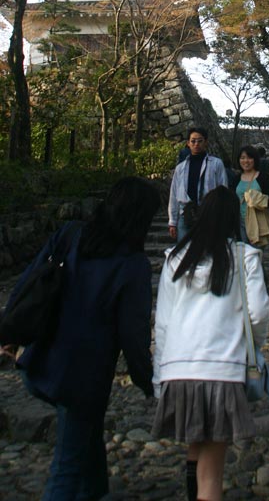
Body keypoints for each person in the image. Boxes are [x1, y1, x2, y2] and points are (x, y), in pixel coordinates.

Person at [1, 176, 160, 501]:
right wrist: (147, 380)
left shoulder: (70, 234)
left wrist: (8, 332)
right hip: (82, 377)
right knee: (67, 468)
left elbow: (29, 282)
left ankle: (96, 492)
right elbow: (133, 334)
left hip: (40, 358)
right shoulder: (132, 265)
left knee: (86, 433)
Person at [152, 186, 269, 501]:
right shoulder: (244, 257)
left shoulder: (175, 258)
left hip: (178, 368)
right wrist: (253, 348)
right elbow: (259, 313)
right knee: (212, 474)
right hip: (222, 368)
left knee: (196, 444)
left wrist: (158, 377)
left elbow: (162, 323)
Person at [168, 126, 228, 242]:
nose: (196, 144)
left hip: (209, 212)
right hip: (185, 213)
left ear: (206, 142)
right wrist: (172, 222)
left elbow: (223, 190)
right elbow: (174, 195)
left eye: (200, 141)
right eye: (193, 141)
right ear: (188, 143)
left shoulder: (216, 164)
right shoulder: (180, 168)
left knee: (207, 248)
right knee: (184, 249)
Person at [236, 145, 269, 244]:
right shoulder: (236, 178)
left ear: (255, 159)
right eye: (242, 158)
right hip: (240, 222)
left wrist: (256, 199)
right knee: (243, 252)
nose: (246, 161)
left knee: (256, 252)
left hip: (258, 222)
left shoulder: (263, 177)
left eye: (249, 158)